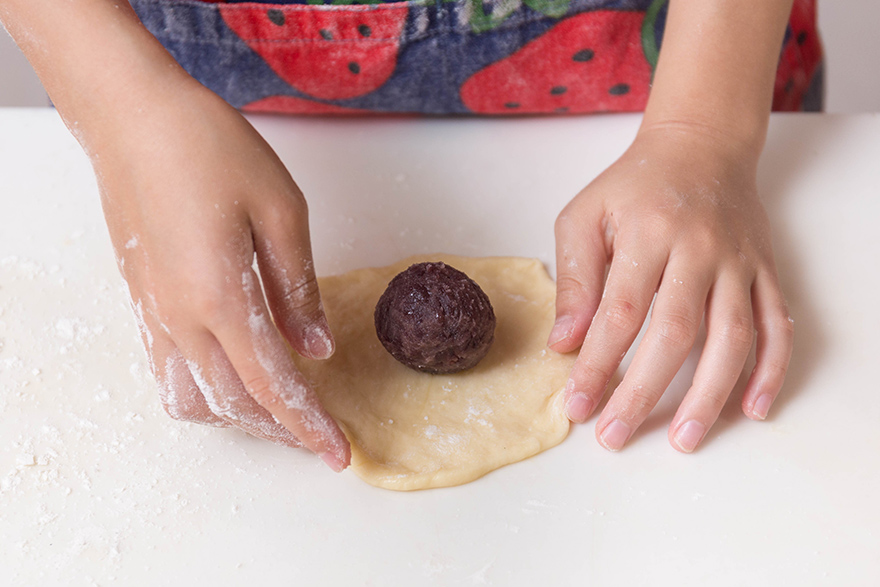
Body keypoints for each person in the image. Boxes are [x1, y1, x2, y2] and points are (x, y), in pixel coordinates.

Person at [0, 0, 820, 470]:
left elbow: (706, 119)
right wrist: (119, 101)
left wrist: (704, 129)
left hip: (679, 65)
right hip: (172, 82)